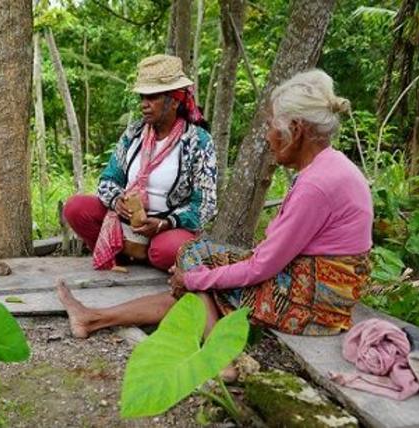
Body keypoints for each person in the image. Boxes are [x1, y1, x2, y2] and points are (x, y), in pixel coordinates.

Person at [57, 69, 372, 345]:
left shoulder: (313, 184)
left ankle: (220, 359)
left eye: (271, 126)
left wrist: (179, 249)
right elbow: (108, 179)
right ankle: (94, 318)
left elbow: (258, 262)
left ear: (298, 130)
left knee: (195, 268)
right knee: (197, 265)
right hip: (315, 288)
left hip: (311, 305)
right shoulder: (329, 168)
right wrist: (120, 204)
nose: (268, 136)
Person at [63, 54, 217, 272]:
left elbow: (205, 204)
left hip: (166, 227)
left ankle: (141, 252)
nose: (144, 104)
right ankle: (124, 251)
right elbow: (109, 179)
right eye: (142, 97)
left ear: (174, 101)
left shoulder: (198, 141)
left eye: (152, 98)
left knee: (166, 250)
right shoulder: (134, 132)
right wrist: (117, 201)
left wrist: (167, 222)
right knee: (76, 208)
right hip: (125, 220)